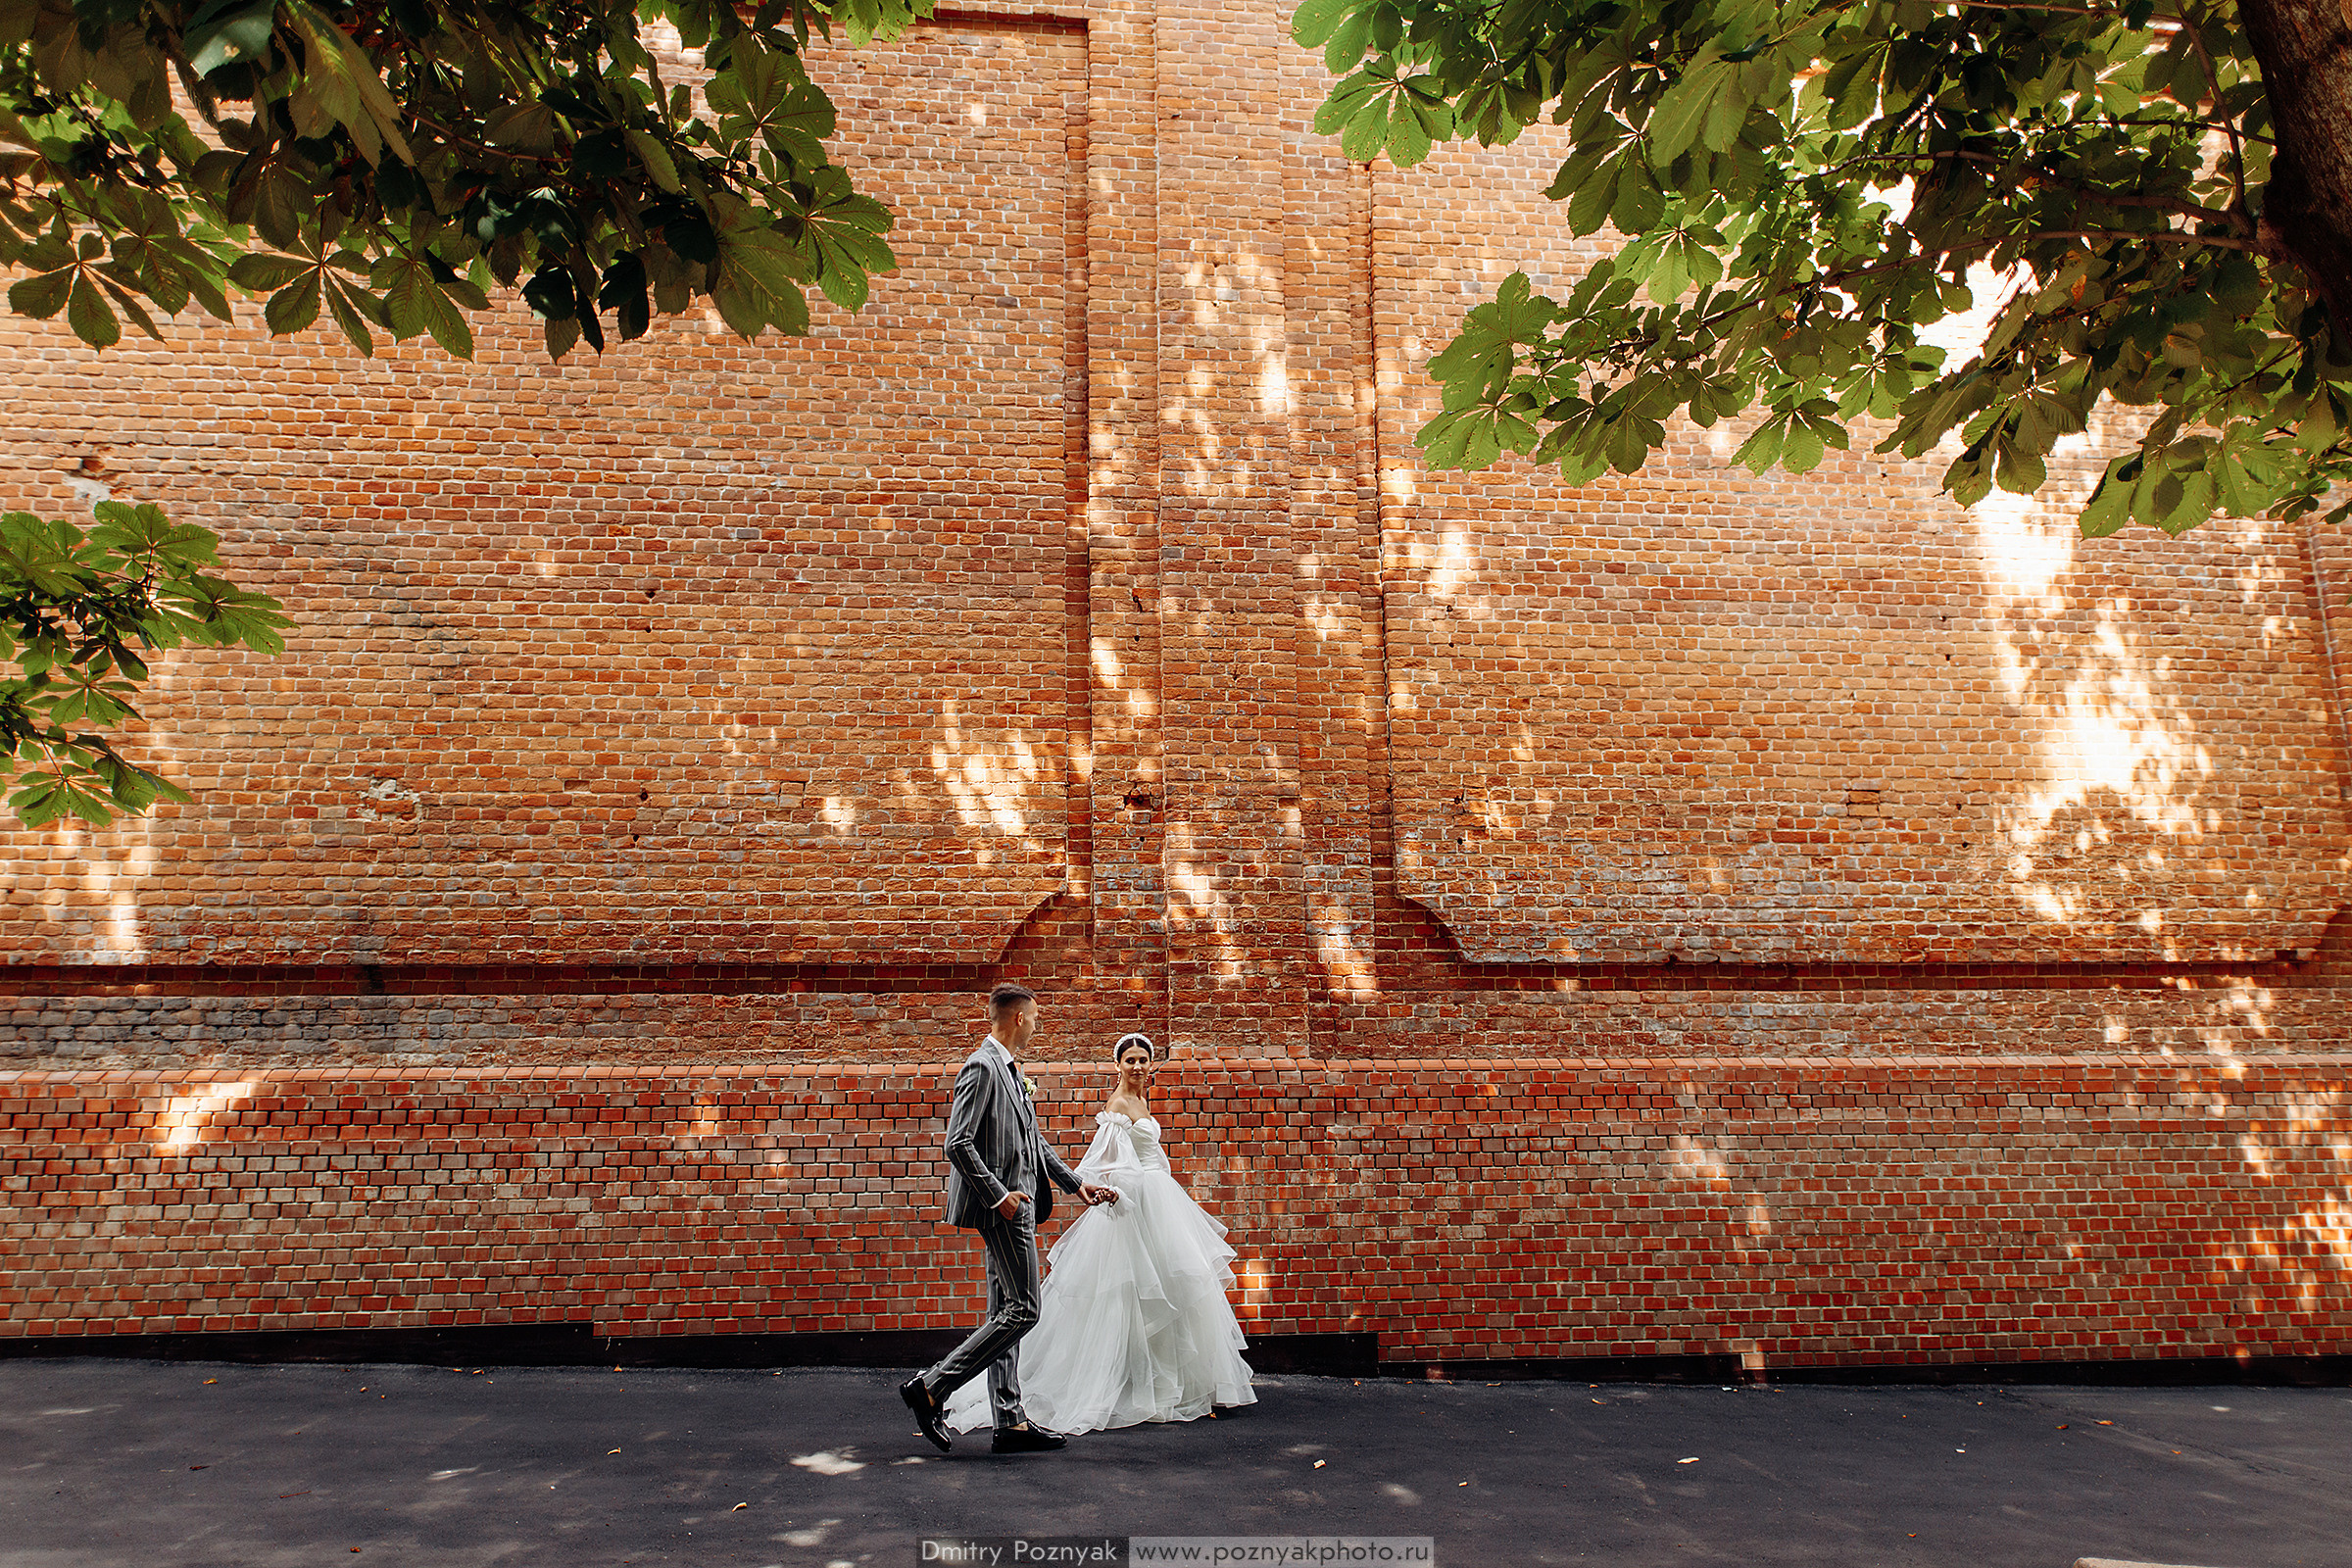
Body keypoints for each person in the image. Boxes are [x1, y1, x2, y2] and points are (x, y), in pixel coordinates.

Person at [941, 1031, 1256, 1436]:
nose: (1137, 1066)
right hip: (1138, 1204)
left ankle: (1165, 1386)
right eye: (1130, 1060)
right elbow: (1105, 1162)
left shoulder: (1142, 1101)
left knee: (1168, 1292)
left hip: (1160, 1199)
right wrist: (1113, 1191)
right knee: (1129, 1297)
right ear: (1118, 1065)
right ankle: (1113, 1386)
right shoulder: (1118, 1106)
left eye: (1143, 1059)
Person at [898, 982, 1120, 1454]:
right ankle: (932, 1386)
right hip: (1006, 1207)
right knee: (1025, 1310)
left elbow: (1031, 1141)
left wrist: (1074, 1183)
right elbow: (957, 1143)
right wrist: (999, 1197)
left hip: (1018, 1203)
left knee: (1004, 1310)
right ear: (1019, 1018)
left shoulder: (1011, 1070)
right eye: (1034, 1017)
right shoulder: (982, 1066)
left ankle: (1010, 1421)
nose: (1036, 1025)